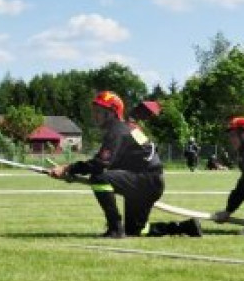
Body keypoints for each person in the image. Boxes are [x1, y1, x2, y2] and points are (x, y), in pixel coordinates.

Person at [48, 91, 200, 238]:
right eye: (94, 111)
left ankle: (115, 229)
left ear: (112, 113)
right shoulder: (129, 128)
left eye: (99, 111)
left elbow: (100, 164)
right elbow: (132, 157)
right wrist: (72, 172)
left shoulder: (117, 131)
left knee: (99, 178)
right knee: (136, 230)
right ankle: (184, 227)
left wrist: (68, 168)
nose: (95, 115)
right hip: (150, 181)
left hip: (145, 180)